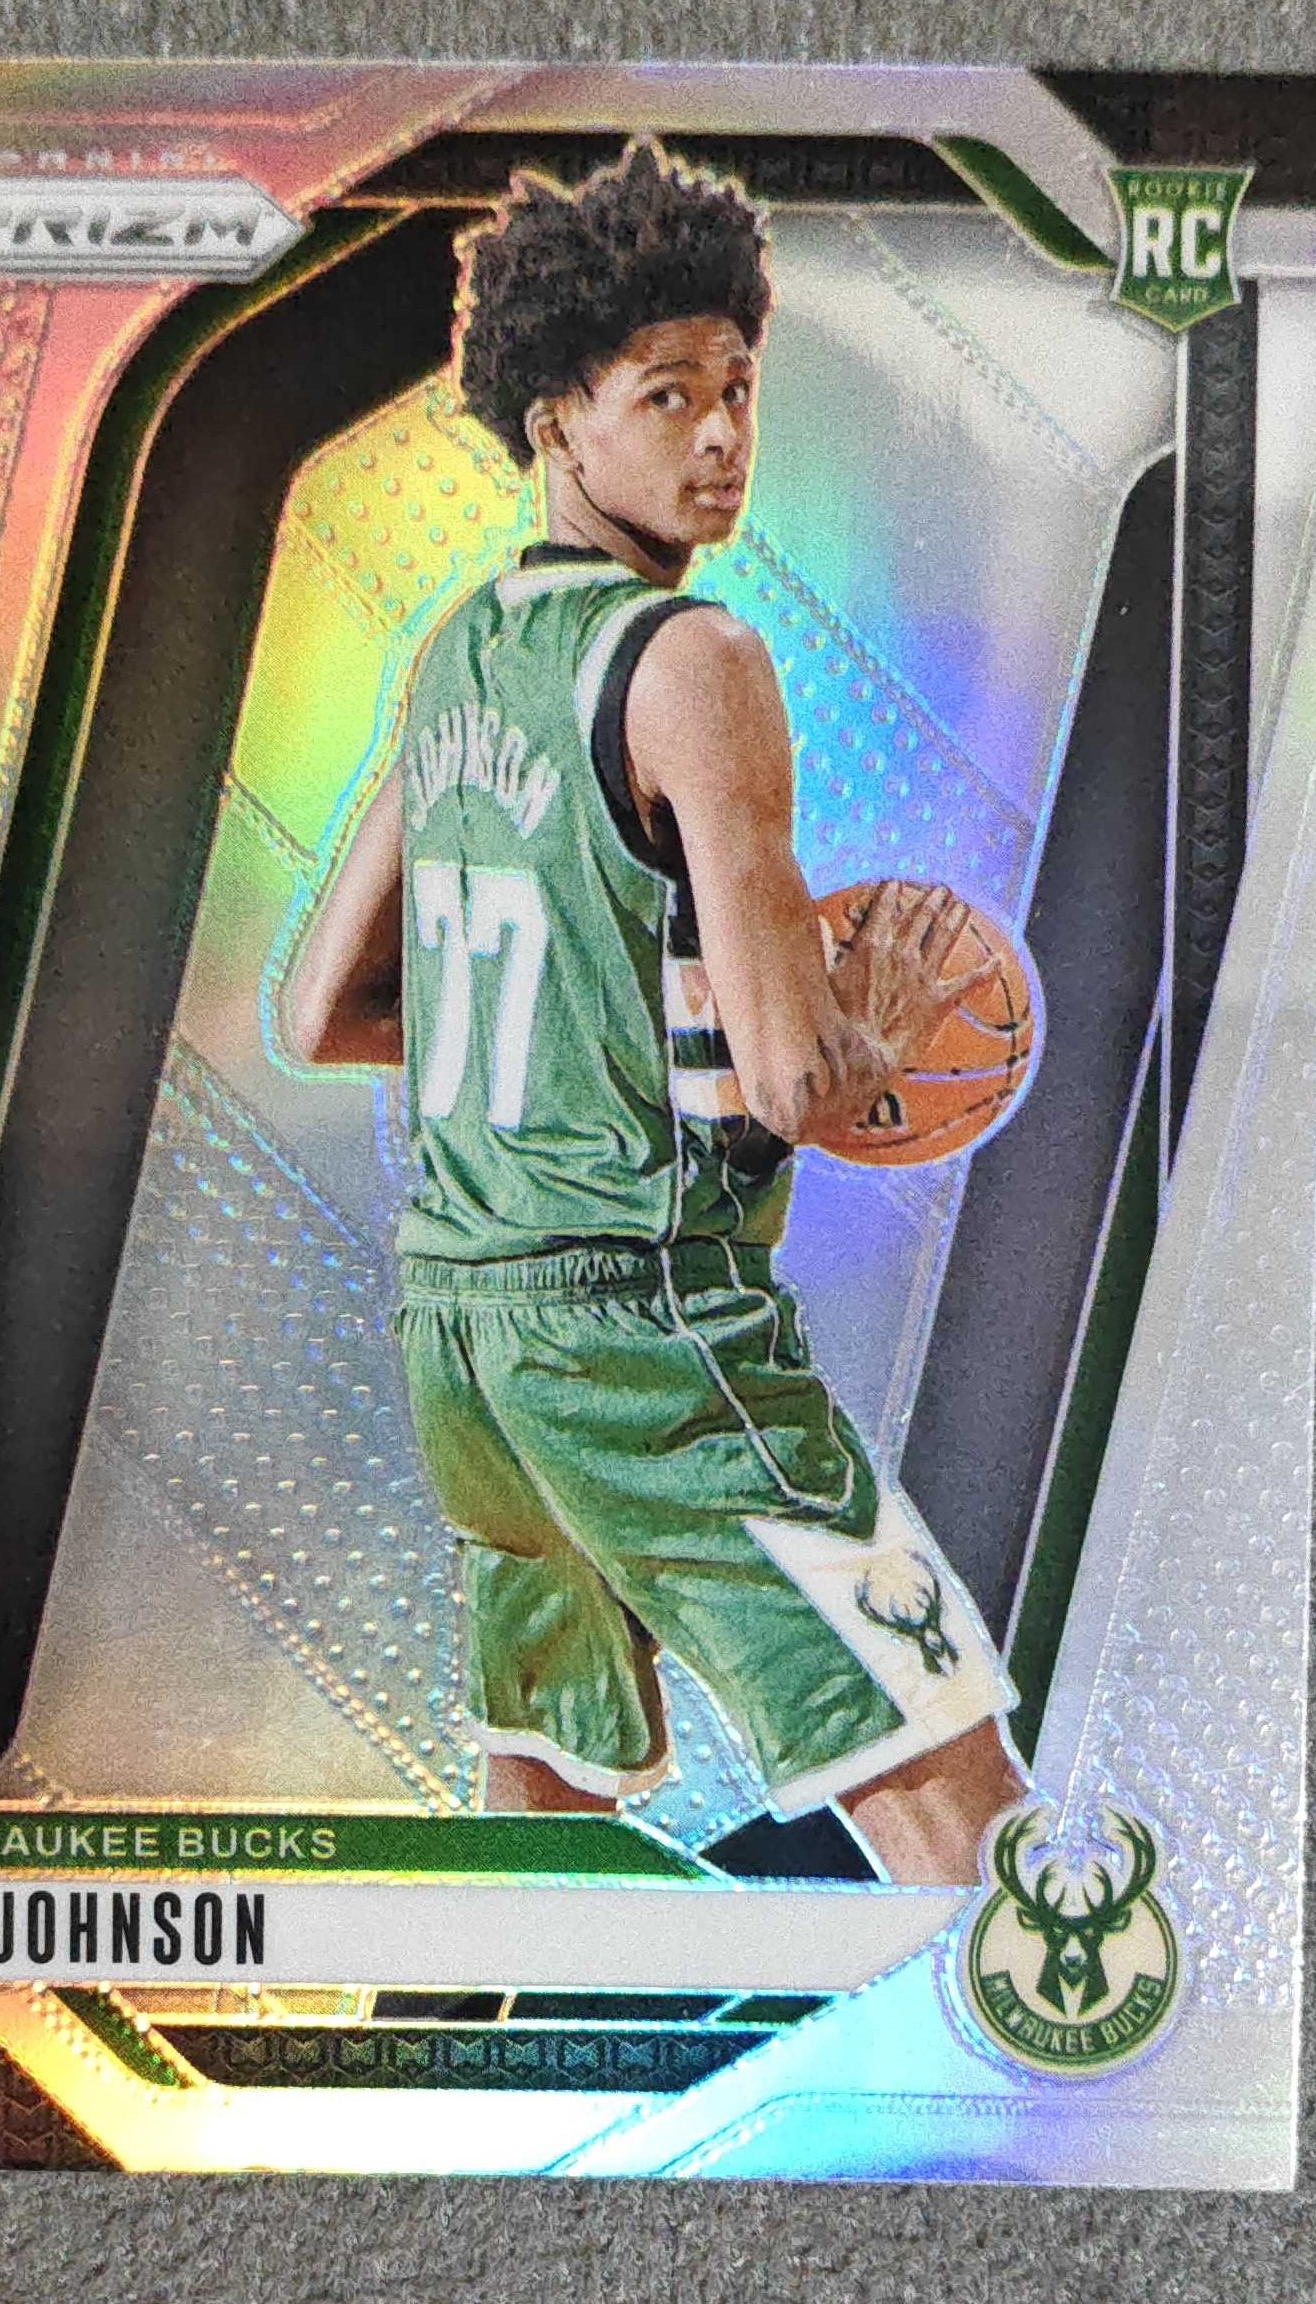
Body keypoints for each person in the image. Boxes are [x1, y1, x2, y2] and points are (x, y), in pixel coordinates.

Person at [281, 140, 1029, 1885]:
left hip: (464, 1330)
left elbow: (320, 1009)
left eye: (738, 389)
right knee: (954, 1793)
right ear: (556, 419)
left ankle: (507, 2053)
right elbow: (791, 1081)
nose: (719, 438)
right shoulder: (698, 665)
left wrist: (588, 1041)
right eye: (668, 394)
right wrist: (873, 1031)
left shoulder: (455, 655)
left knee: (545, 1851)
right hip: (643, 1330)